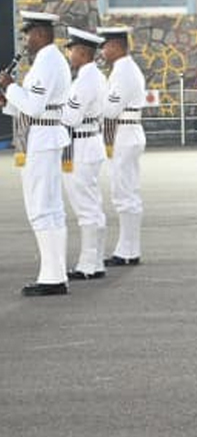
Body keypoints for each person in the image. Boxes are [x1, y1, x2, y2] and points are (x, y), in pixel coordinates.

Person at [2, 11, 72, 295]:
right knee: (51, 209)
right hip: (44, 134)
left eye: (28, 35)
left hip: (41, 138)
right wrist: (7, 100)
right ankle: (55, 273)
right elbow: (32, 105)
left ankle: (52, 278)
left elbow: (34, 107)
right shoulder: (51, 59)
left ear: (40, 34)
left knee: (41, 209)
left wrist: (9, 86)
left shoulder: (46, 61)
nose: (25, 42)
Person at [59, 28, 108, 280]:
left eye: (71, 50)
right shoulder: (96, 77)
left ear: (82, 52)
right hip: (91, 142)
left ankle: (88, 265)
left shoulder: (84, 81)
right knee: (93, 205)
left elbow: (70, 117)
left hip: (81, 146)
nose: (69, 55)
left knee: (85, 207)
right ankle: (96, 261)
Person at [99, 26, 146, 267]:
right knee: (127, 192)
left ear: (116, 46)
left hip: (124, 134)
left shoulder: (123, 71)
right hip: (126, 132)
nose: (102, 52)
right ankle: (128, 248)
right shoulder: (124, 69)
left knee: (124, 194)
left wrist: (93, 100)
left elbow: (110, 109)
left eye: (105, 46)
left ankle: (128, 251)